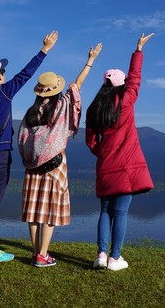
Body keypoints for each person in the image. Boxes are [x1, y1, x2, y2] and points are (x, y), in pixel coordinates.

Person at [0, 31, 59, 262]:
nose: (5, 75)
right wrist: (44, 50)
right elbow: (27, 74)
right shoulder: (5, 92)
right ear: (0, 76)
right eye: (3, 72)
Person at [18, 43, 103, 267]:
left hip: (33, 167)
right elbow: (78, 85)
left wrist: (31, 158)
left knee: (34, 211)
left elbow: (22, 140)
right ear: (56, 89)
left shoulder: (31, 112)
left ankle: (36, 251)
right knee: (49, 211)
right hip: (55, 166)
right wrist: (90, 60)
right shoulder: (62, 105)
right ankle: (43, 255)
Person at [85, 32, 155, 271]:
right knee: (121, 212)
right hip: (125, 167)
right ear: (121, 84)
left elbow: (91, 140)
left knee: (105, 210)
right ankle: (115, 258)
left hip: (105, 165)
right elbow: (135, 78)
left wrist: (103, 152)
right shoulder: (126, 100)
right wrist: (138, 50)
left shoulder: (94, 108)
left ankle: (101, 255)